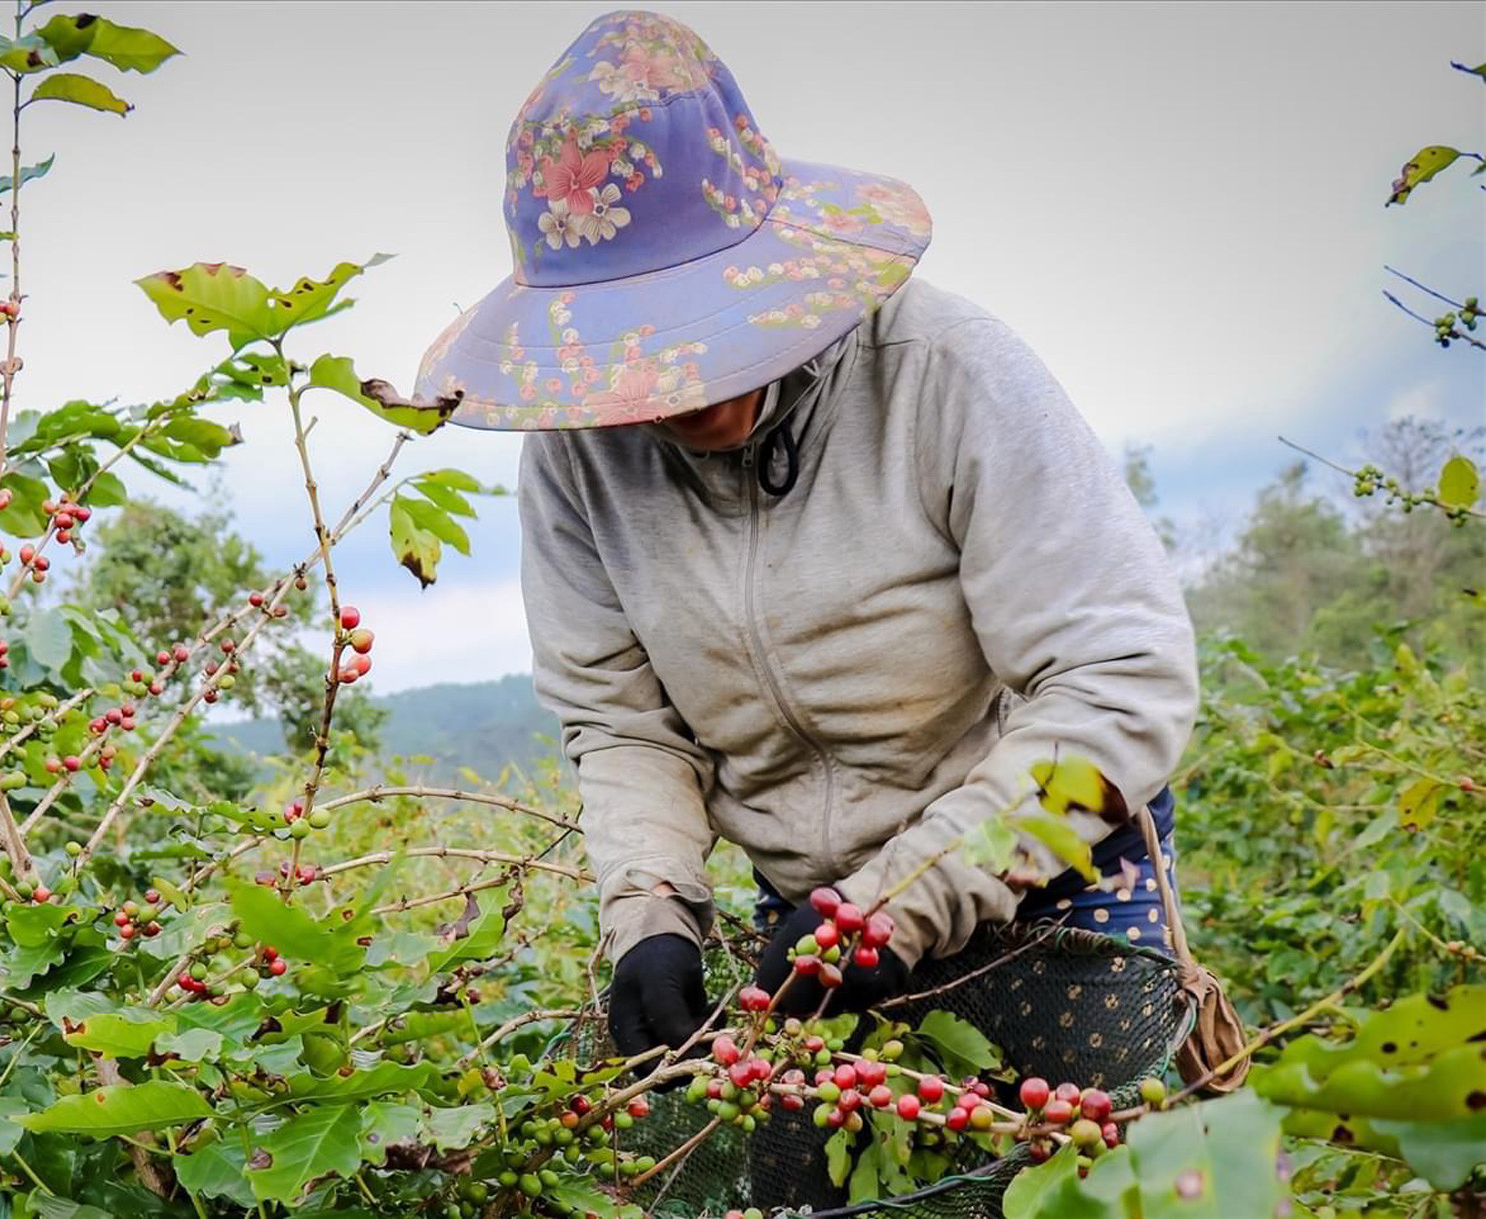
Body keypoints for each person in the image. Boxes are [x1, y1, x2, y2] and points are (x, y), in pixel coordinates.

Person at [413, 10, 1197, 1061]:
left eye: (699, 330)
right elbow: (623, 724)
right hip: (804, 917)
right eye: (638, 353)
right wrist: (650, 915)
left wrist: (907, 898)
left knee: (1091, 1174)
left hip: (1048, 867)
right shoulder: (575, 457)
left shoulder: (943, 373)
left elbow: (1120, 682)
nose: (681, 386)